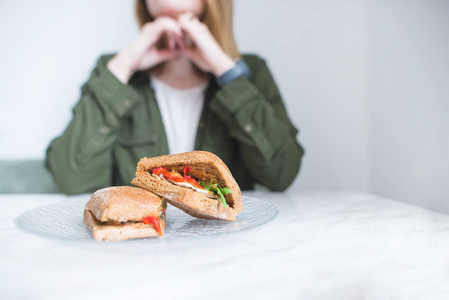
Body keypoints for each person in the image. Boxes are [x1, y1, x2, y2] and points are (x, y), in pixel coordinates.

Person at [45, 0, 304, 195]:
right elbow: (71, 179)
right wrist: (124, 65)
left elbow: (282, 174)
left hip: (228, 250)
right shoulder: (114, 71)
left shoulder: (250, 73)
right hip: (137, 250)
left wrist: (226, 71)